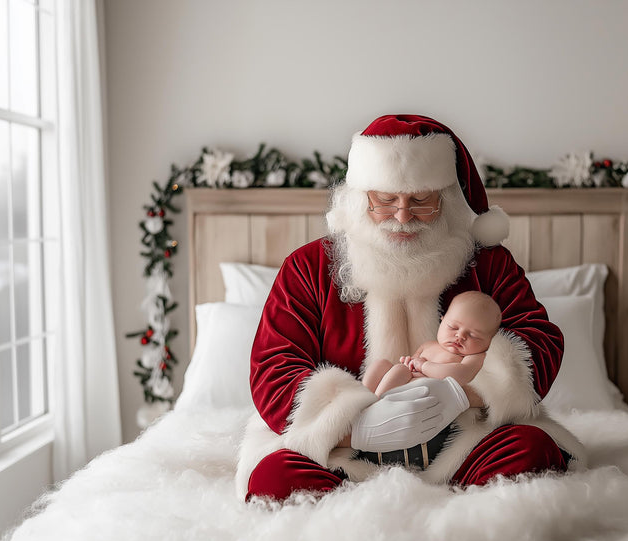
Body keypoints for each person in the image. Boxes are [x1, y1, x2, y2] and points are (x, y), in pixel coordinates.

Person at [236, 114, 586, 501]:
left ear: (446, 198)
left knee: (531, 452)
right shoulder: (308, 267)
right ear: (360, 197)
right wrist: (357, 428)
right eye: (385, 201)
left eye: (421, 201)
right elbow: (274, 367)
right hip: (346, 453)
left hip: (461, 443)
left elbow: (537, 338)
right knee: (275, 479)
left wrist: (462, 394)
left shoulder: (486, 262)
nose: (403, 217)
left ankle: (455, 504)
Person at [363, 291, 501, 396]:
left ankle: (375, 406)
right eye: (453, 327)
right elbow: (411, 366)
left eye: (473, 335)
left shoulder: (474, 357)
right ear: (442, 320)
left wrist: (424, 366)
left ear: (489, 342)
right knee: (381, 364)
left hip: (423, 395)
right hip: (404, 384)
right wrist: (409, 362)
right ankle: (363, 400)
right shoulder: (428, 345)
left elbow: (460, 375)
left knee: (400, 370)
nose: (460, 336)